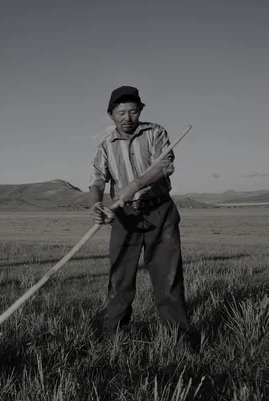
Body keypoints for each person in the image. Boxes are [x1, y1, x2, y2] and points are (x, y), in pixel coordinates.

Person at [89, 86, 199, 349]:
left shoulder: (155, 132)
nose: (127, 117)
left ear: (140, 111)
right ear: (110, 114)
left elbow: (165, 165)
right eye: (121, 112)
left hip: (159, 210)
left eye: (133, 111)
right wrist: (95, 205)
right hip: (124, 216)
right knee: (120, 278)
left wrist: (134, 185)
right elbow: (96, 180)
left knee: (168, 276)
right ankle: (112, 341)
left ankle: (180, 341)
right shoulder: (105, 145)